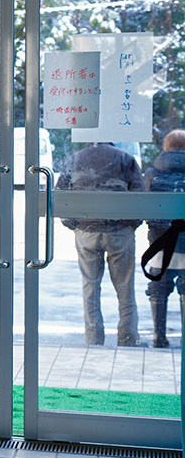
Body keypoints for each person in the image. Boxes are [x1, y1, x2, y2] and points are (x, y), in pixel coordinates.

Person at [56, 142, 145, 347]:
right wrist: (131, 224)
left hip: (87, 230)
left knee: (90, 287)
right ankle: (128, 338)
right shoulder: (125, 158)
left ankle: (94, 339)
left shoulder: (76, 158)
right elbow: (139, 195)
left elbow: (60, 194)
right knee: (125, 287)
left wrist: (75, 224)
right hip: (119, 232)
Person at [144, 129, 185, 348]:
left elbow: (145, 206)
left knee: (159, 289)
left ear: (166, 147)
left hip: (161, 242)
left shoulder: (153, 173)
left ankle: (159, 338)